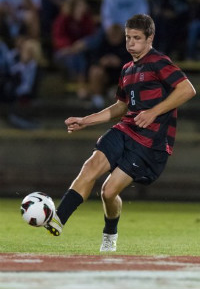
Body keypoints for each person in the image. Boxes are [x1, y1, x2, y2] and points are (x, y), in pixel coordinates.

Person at [45, 14, 196, 252]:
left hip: (150, 142)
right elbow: (121, 106)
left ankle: (110, 234)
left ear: (150, 38)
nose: (131, 43)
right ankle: (58, 218)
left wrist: (153, 112)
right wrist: (86, 120)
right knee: (90, 166)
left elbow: (187, 89)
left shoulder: (159, 61)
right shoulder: (126, 69)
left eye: (137, 38)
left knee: (108, 191)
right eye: (128, 38)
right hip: (125, 129)